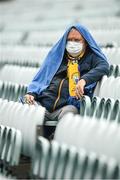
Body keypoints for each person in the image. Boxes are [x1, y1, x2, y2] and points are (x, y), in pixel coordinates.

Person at [22, 23, 109, 122]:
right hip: (43, 106)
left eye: (77, 40)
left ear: (85, 42)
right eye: (69, 40)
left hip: (65, 107)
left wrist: (84, 80)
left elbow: (104, 66)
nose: (72, 43)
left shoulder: (91, 57)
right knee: (26, 107)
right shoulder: (58, 56)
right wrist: (31, 93)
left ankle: (56, 135)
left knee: (69, 113)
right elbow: (41, 79)